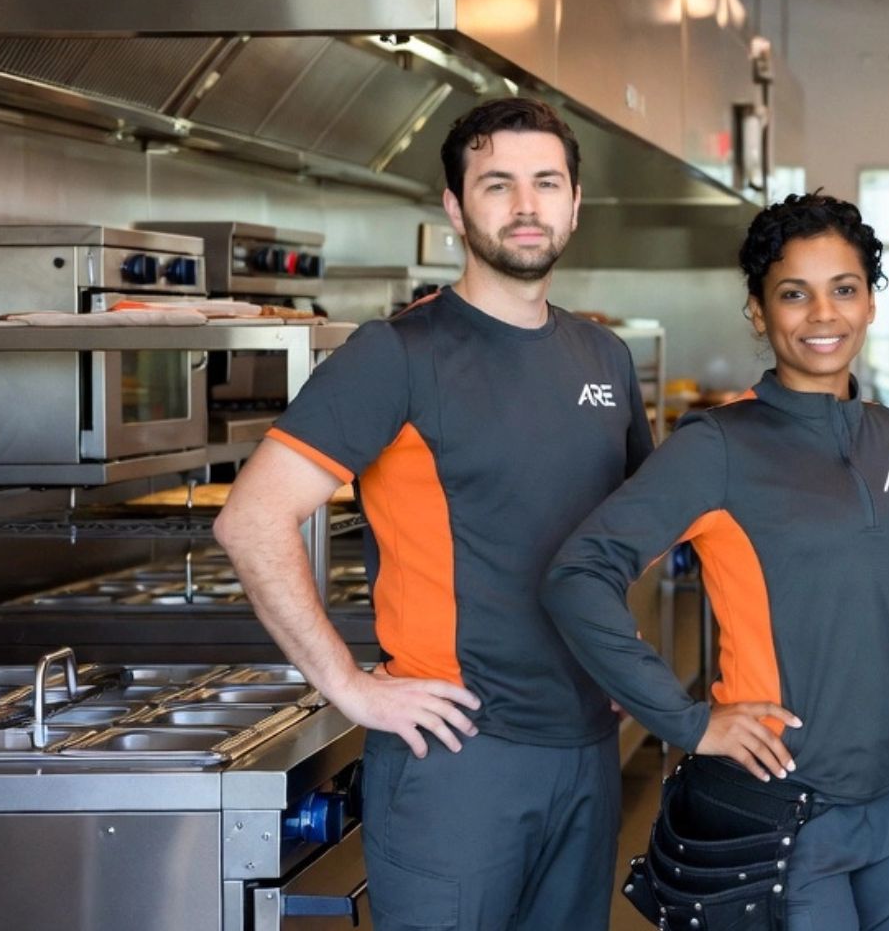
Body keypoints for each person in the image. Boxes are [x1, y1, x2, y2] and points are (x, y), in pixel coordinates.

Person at [216, 97, 651, 931]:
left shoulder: (604, 357)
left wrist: (626, 664)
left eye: (546, 182)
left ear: (574, 202)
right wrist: (348, 687)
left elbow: (626, 529)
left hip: (587, 747)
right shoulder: (397, 354)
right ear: (455, 208)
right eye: (497, 185)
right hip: (458, 760)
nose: (526, 207)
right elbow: (251, 518)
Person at [541, 192, 889, 931]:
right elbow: (578, 574)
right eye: (793, 295)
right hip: (784, 809)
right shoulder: (717, 446)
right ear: (757, 312)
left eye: (844, 290)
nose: (823, 316)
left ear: (871, 303)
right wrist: (686, 720)